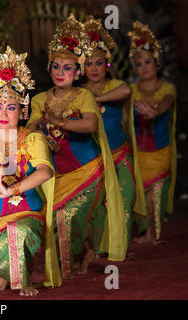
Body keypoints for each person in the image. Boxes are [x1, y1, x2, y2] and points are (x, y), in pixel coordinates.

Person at [26, 14, 127, 278]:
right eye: (56, 66)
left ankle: (73, 261)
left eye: (68, 67)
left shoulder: (85, 95)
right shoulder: (38, 99)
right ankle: (73, 259)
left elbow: (90, 126)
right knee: (56, 217)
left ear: (77, 71)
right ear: (49, 69)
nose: (61, 72)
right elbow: (32, 128)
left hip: (87, 169)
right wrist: (40, 128)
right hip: (57, 172)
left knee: (72, 217)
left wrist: (57, 120)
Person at [0, 46, 61, 296]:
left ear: (22, 109)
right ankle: (13, 270)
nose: (3, 113)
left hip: (28, 211)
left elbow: (45, 172)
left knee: (22, 231)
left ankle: (23, 280)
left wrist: (11, 190)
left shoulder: (33, 139)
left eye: (11, 107)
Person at [82, 16, 147, 250]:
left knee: (125, 197)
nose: (94, 68)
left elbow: (127, 90)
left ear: (106, 64)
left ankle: (120, 247)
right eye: (89, 64)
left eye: (98, 63)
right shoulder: (78, 92)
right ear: (82, 67)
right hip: (95, 159)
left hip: (119, 155)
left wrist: (95, 99)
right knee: (100, 203)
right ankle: (100, 247)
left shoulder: (115, 86)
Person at [127, 21, 177, 244]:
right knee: (140, 195)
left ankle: (154, 233)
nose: (144, 67)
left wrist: (154, 111)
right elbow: (125, 118)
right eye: (139, 64)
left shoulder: (167, 88)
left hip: (159, 152)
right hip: (138, 152)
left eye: (148, 62)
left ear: (157, 63)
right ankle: (146, 231)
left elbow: (167, 103)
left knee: (155, 195)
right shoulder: (132, 91)